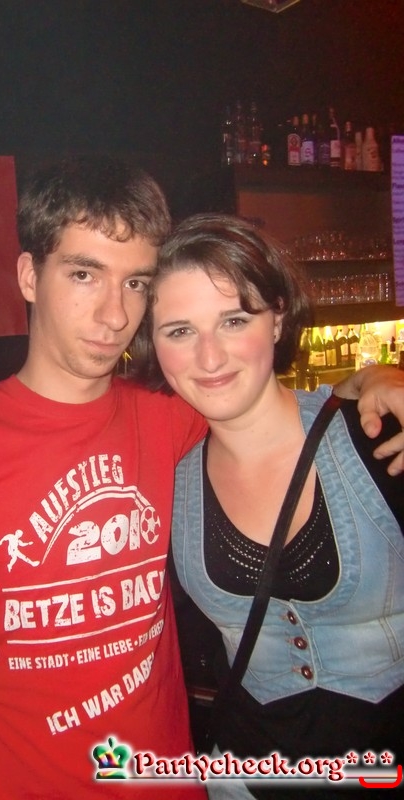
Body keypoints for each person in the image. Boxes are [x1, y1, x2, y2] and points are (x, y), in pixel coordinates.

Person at [0, 159, 403, 800]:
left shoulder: (171, 414)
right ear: (30, 275)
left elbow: (270, 403)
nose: (114, 314)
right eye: (84, 273)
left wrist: (373, 379)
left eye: (136, 282)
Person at [135, 212, 404, 798]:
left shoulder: (377, 437)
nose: (210, 358)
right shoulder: (166, 481)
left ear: (278, 317)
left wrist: (378, 374)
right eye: (179, 331)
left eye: (234, 320)